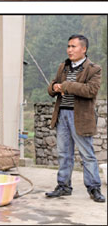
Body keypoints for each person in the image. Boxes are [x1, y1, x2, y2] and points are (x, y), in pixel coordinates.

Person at [45, 34, 105, 203]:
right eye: (68, 46)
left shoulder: (94, 69)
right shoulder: (63, 66)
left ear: (83, 49)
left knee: (87, 154)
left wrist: (66, 86)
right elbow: (52, 88)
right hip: (62, 114)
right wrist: (54, 87)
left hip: (81, 117)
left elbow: (90, 90)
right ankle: (63, 186)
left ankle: (94, 188)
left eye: (73, 46)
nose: (69, 50)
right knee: (64, 153)